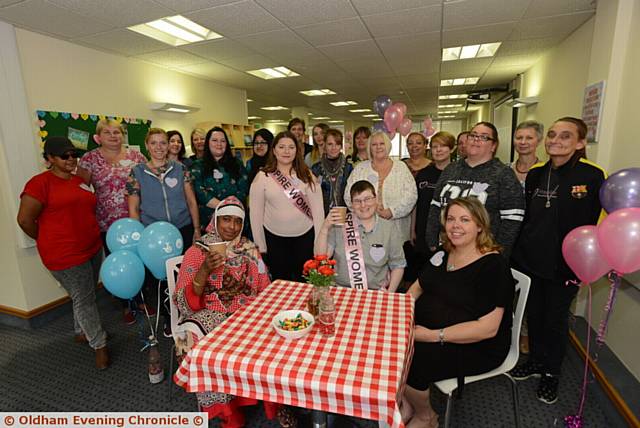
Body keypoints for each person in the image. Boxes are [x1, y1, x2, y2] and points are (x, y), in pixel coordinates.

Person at [509, 117, 606, 405]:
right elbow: (529, 217)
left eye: (565, 136)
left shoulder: (593, 176)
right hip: (531, 261)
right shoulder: (537, 174)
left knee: (555, 321)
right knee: (535, 317)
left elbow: (597, 224)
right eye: (552, 134)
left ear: (579, 143)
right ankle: (537, 361)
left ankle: (552, 373)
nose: (555, 140)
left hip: (566, 265)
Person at [401, 197, 514, 428]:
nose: (455, 226)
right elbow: (418, 286)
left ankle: (427, 416)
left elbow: (488, 328)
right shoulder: (445, 251)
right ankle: (409, 402)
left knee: (411, 359)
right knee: (392, 346)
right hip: (431, 330)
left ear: (480, 225)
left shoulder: (493, 266)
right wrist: (400, 316)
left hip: (477, 345)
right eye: (451, 219)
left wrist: (432, 335)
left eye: (465, 220)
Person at [174, 196, 284, 426]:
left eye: (237, 221)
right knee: (192, 338)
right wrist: (205, 269)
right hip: (209, 312)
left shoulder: (249, 249)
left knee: (277, 329)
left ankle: (275, 403)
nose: (231, 227)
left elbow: (264, 287)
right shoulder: (197, 251)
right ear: (215, 220)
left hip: (245, 312)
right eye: (226, 219)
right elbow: (184, 302)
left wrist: (260, 313)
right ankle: (228, 413)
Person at [17, 137, 109, 369]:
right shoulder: (39, 184)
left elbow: (87, 196)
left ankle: (81, 331)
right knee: (85, 299)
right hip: (64, 255)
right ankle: (99, 345)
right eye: (64, 156)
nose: (70, 159)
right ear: (49, 159)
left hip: (92, 246)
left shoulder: (80, 179)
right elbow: (25, 220)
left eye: (73, 154)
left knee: (83, 295)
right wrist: (49, 238)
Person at [77, 118, 150, 324]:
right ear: (98, 137)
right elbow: (81, 190)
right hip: (107, 223)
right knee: (118, 264)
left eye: (116, 132)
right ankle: (126, 303)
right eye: (107, 132)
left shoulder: (136, 156)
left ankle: (141, 298)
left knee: (140, 259)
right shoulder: (89, 159)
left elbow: (147, 182)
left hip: (136, 217)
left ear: (122, 135)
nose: (113, 136)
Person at [425, 122, 524, 257]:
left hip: (483, 253)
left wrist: (498, 252)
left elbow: (513, 218)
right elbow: (436, 205)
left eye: (484, 137)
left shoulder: (503, 174)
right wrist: (431, 238)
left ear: (493, 146)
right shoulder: (451, 169)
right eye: (473, 135)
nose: (476, 139)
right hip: (448, 247)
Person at [249, 131, 324, 282]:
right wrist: (261, 246)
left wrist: (319, 243)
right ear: (274, 150)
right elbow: (255, 214)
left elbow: (318, 212)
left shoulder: (307, 176)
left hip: (305, 239)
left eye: (291, 147)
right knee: (279, 282)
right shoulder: (262, 177)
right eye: (282, 147)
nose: (286, 151)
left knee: (304, 282)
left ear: (297, 151)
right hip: (274, 240)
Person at [314, 180, 405, 292]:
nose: (363, 205)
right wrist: (325, 227)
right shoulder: (340, 225)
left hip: (375, 291)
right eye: (357, 201)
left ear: (376, 199)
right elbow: (320, 257)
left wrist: (389, 293)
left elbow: (398, 265)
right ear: (352, 204)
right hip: (340, 289)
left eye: (367, 199)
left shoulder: (389, 228)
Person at [345, 131, 417, 243]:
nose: (378, 147)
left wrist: (392, 212)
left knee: (396, 258)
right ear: (369, 148)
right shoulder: (360, 169)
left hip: (397, 230)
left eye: (381, 144)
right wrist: (368, 211)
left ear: (387, 146)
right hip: (366, 230)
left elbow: (411, 196)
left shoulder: (401, 168)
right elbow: (348, 196)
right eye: (374, 144)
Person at [405, 131, 455, 284]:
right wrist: (412, 229)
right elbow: (415, 203)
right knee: (421, 273)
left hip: (448, 233)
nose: (438, 150)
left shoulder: (457, 174)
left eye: (443, 146)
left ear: (452, 149)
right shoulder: (423, 174)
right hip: (422, 229)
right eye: (434, 146)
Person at [190, 126, 249, 230]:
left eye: (223, 141)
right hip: (209, 223)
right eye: (214, 140)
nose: (219, 144)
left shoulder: (237, 164)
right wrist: (225, 207)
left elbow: (243, 189)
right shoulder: (197, 166)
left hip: (235, 220)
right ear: (208, 143)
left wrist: (229, 209)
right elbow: (200, 193)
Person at [310, 128, 353, 214]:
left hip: (344, 214)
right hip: (322, 214)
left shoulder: (348, 168)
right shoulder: (316, 169)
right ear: (324, 145)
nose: (334, 148)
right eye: (330, 144)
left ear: (341, 146)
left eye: (337, 144)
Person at [510, 121, 544, 187]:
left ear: (539, 141)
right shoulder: (505, 170)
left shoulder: (546, 170)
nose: (523, 142)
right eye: (519, 138)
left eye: (529, 138)